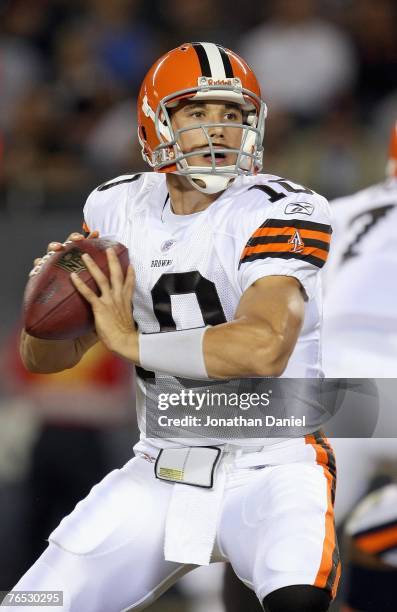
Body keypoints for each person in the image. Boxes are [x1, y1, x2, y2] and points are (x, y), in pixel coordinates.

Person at [6, 43, 338, 612]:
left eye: (233, 115)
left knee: (298, 605)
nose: (219, 130)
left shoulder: (282, 207)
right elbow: (45, 360)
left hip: (273, 464)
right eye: (197, 112)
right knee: (33, 603)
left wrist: (128, 340)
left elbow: (264, 348)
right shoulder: (115, 206)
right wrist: (50, 306)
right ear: (154, 121)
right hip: (161, 466)